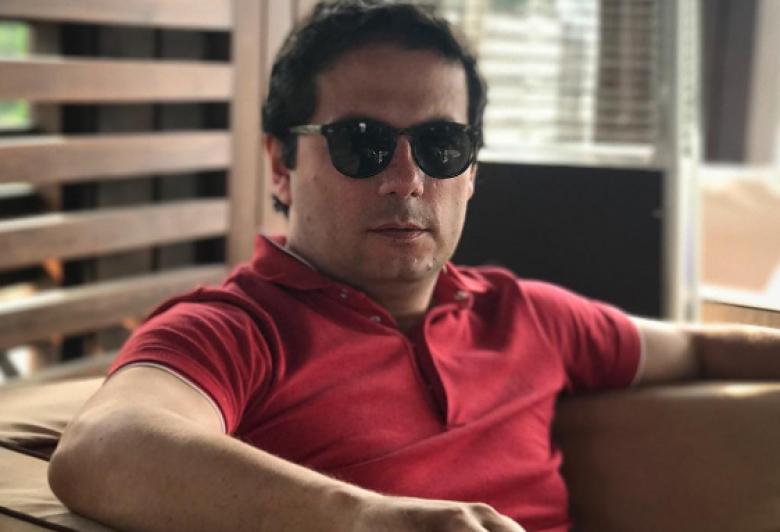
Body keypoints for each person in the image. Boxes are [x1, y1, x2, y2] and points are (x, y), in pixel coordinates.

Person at [48, 2, 780, 532]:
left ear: (471, 170)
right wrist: (369, 520)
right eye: (361, 143)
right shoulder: (235, 329)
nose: (406, 180)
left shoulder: (528, 316)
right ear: (281, 164)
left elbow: (701, 349)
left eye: (441, 145)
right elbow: (101, 447)